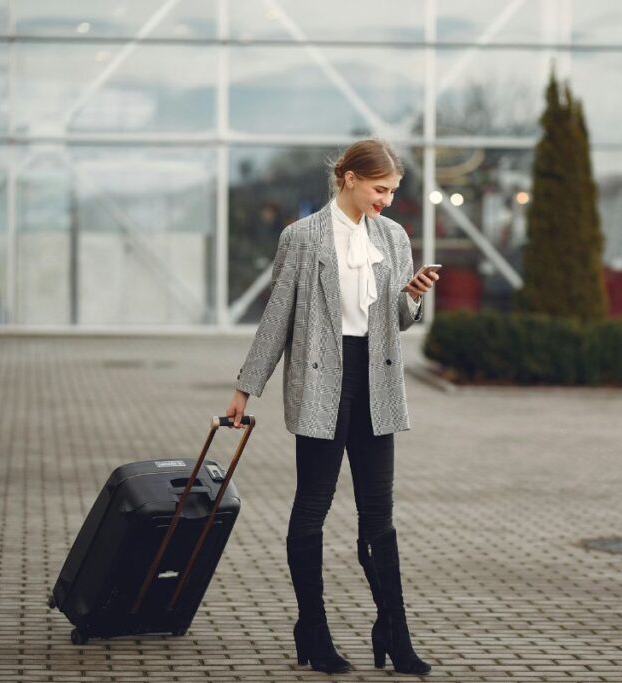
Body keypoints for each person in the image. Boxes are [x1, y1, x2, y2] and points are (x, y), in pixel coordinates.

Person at [225, 139, 438, 675]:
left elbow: (400, 321)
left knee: (379, 515)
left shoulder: (393, 237)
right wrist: (245, 388)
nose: (387, 201)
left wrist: (411, 296)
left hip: (377, 380)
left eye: (392, 191)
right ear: (347, 178)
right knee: (312, 508)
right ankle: (312, 631)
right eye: (379, 189)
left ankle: (393, 630)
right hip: (323, 378)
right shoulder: (301, 238)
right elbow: (276, 319)